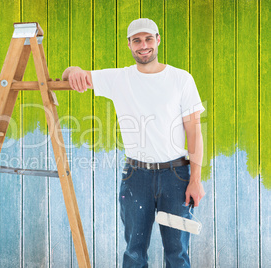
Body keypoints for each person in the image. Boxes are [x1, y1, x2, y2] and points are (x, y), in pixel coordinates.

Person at [62, 18, 206, 267]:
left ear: (158, 40)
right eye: (137, 40)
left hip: (177, 178)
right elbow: (72, 75)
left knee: (177, 252)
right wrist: (73, 71)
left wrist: (195, 180)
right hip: (136, 178)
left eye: (149, 39)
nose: (143, 45)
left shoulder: (181, 79)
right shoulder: (119, 79)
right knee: (134, 252)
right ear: (129, 44)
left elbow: (194, 131)